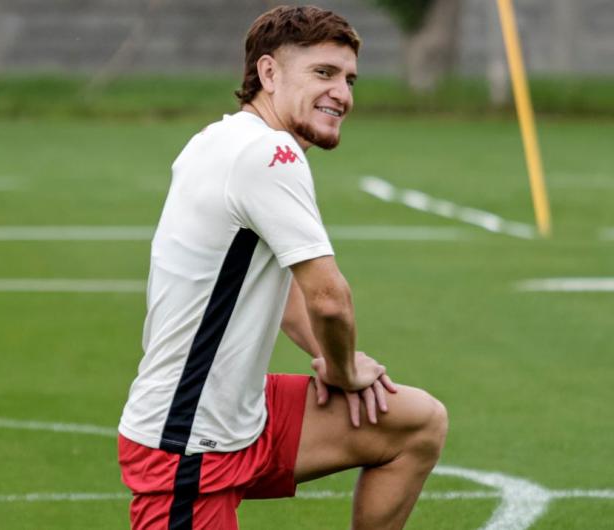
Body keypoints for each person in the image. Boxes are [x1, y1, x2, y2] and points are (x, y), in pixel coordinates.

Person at [118, 5, 448, 529]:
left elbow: (288, 293)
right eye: (323, 73)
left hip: (243, 414)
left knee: (416, 422)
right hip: (187, 441)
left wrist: (330, 359)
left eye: (348, 79)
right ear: (269, 73)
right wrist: (344, 370)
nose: (342, 93)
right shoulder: (271, 155)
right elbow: (328, 299)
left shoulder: (219, 138)